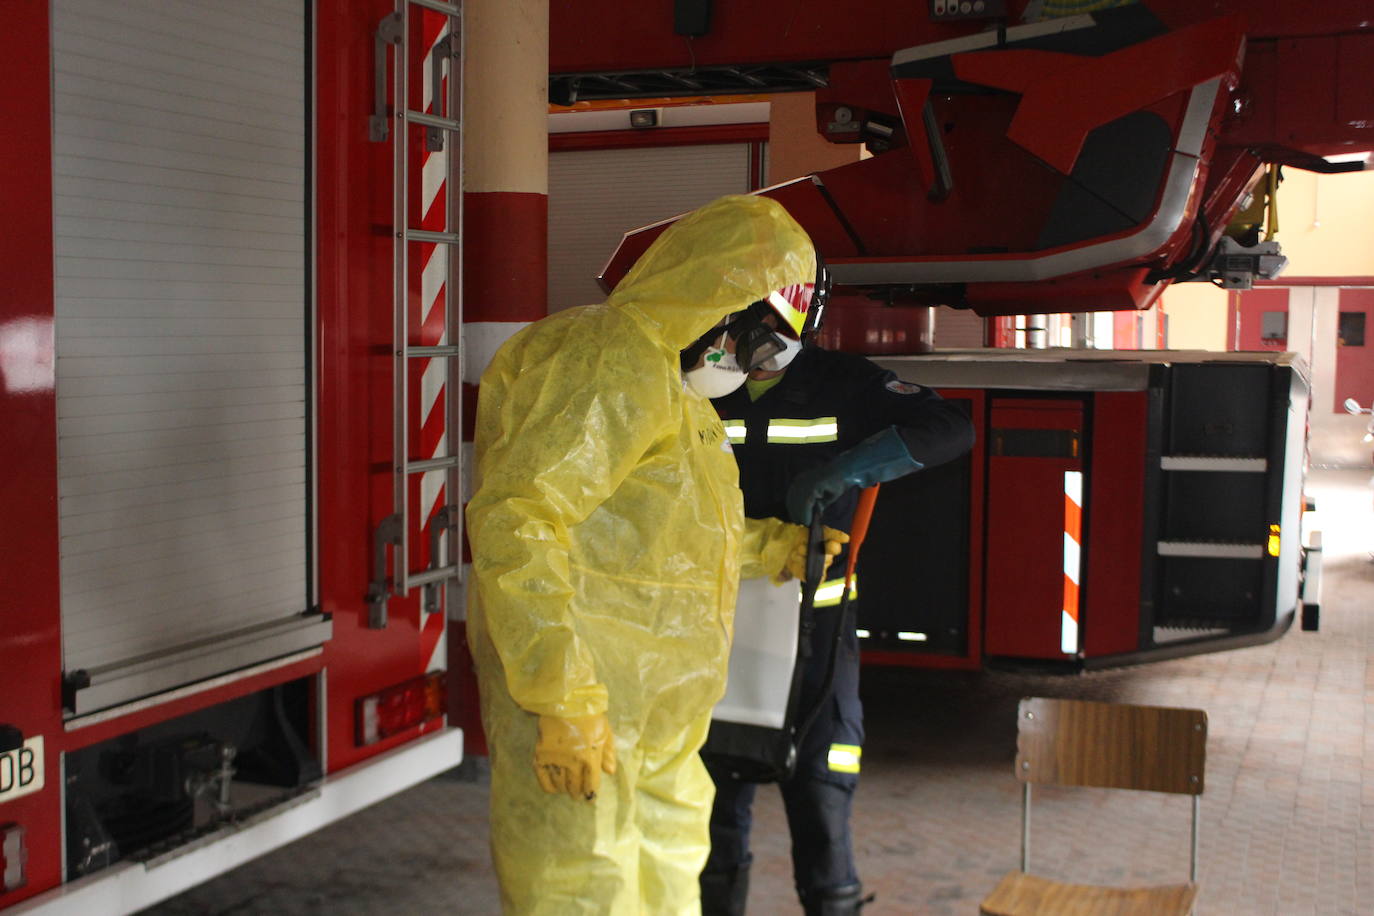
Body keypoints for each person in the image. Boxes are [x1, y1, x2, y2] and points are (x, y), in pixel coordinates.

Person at [465, 194, 846, 915]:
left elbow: (676, 540)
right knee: (581, 888)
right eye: (759, 345)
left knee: (665, 876)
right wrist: (564, 698)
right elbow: (520, 520)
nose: (755, 371)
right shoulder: (608, 357)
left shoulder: (681, 400)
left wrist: (777, 547)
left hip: (659, 707)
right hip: (588, 694)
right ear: (716, 302)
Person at [699, 299, 976, 916]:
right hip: (712, 635)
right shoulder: (698, 389)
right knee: (711, 816)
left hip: (814, 636)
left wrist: (852, 468)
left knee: (822, 802)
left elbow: (952, 427)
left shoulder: (845, 383)